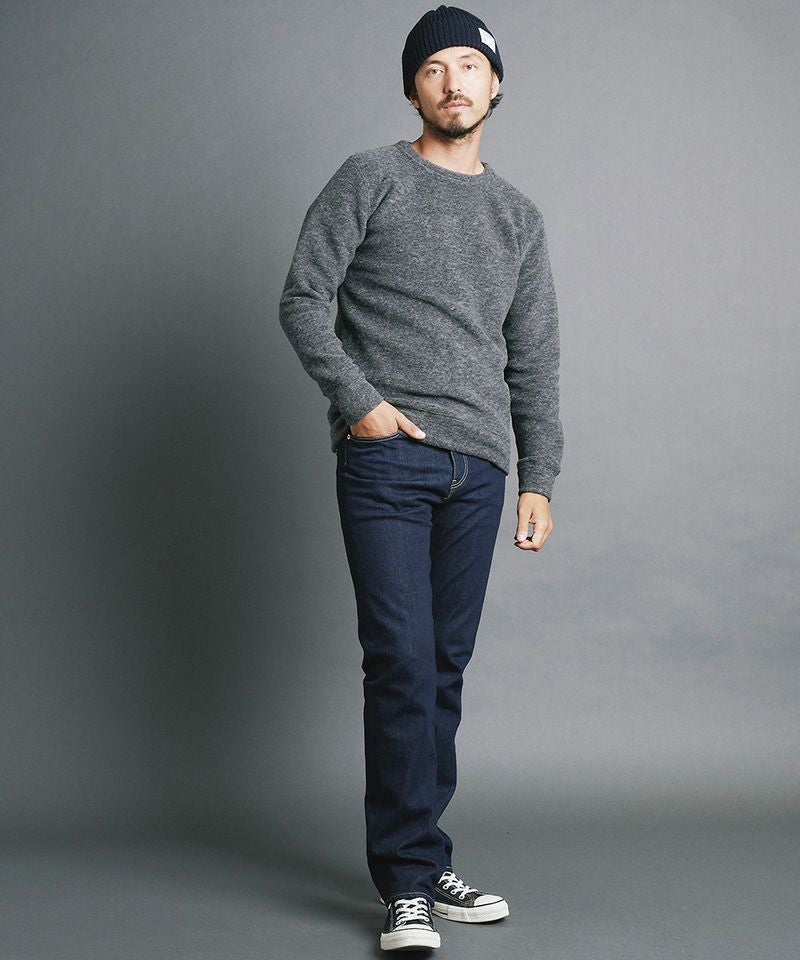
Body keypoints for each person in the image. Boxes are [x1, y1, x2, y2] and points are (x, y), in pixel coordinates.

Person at [278, 4, 564, 951]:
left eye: (469, 67)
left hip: (479, 469)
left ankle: (424, 860)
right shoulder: (371, 177)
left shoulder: (518, 217)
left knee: (442, 668)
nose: (453, 82)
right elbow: (303, 298)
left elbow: (534, 360)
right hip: (386, 458)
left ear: (495, 85)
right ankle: (404, 883)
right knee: (400, 661)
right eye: (434, 68)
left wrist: (537, 475)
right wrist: (361, 405)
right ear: (413, 89)